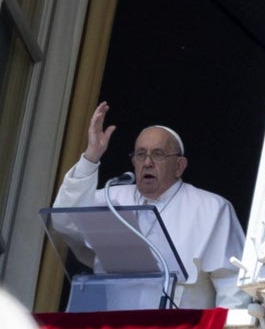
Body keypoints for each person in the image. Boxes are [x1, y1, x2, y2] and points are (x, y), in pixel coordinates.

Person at [53, 101, 250, 309]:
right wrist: (91, 156)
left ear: (179, 166)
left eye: (158, 154)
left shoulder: (211, 208)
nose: (147, 162)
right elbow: (63, 220)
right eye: (140, 154)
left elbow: (232, 284)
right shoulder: (111, 199)